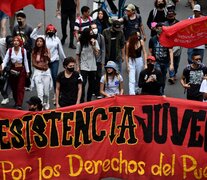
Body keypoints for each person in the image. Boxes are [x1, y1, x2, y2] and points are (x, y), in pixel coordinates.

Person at [30, 23, 66, 104]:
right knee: (44, 77)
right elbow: (32, 36)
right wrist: (37, 28)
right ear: (46, 31)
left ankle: (55, 94)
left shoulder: (57, 39)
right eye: (49, 30)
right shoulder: (43, 38)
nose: (50, 31)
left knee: (54, 76)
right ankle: (42, 93)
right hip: (44, 61)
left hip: (54, 61)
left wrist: (65, 60)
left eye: (52, 30)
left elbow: (60, 51)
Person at [1, 36, 30, 110]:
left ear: (20, 42)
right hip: (12, 70)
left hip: (21, 70)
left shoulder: (23, 50)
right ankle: (16, 101)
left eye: (17, 41)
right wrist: (2, 67)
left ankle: (19, 104)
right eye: (14, 41)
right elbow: (5, 60)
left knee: (20, 87)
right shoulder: (10, 50)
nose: (16, 42)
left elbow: (26, 61)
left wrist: (27, 71)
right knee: (14, 88)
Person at [148, 22, 174, 95]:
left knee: (163, 77)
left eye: (161, 29)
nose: (159, 30)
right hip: (156, 61)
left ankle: (162, 90)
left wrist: (171, 64)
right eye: (158, 28)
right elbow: (150, 51)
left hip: (165, 62)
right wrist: (149, 61)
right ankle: (158, 91)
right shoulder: (152, 39)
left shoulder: (167, 39)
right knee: (158, 75)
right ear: (155, 29)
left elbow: (170, 51)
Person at [76, 28, 99, 102]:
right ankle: (82, 99)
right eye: (90, 34)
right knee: (83, 83)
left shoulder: (95, 42)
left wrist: (93, 45)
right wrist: (78, 66)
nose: (92, 35)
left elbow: (97, 54)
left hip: (93, 66)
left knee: (91, 84)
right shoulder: (80, 43)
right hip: (83, 66)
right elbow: (77, 55)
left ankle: (89, 99)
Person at [13, 11, 33, 89]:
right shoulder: (15, 28)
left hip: (27, 51)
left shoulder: (29, 28)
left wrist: (31, 49)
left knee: (27, 66)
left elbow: (32, 39)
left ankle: (28, 83)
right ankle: (20, 81)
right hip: (18, 51)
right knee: (18, 66)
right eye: (17, 19)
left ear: (24, 19)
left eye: (20, 19)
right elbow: (13, 38)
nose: (19, 21)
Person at [31, 37, 52, 110]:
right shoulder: (34, 51)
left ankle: (46, 103)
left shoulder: (47, 50)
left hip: (46, 73)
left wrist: (47, 56)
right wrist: (41, 67)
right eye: (38, 41)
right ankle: (40, 106)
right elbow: (33, 63)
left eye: (41, 41)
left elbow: (49, 61)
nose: (39, 42)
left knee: (46, 92)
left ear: (43, 43)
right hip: (38, 73)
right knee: (40, 92)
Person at [164, 9, 181, 84]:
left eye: (172, 15)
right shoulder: (165, 23)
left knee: (176, 62)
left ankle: (174, 73)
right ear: (167, 16)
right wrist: (153, 26)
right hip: (168, 44)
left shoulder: (178, 23)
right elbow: (153, 24)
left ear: (174, 15)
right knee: (171, 60)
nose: (170, 17)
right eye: (169, 15)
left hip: (177, 44)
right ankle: (171, 76)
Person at [90, 23, 105, 98]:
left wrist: (102, 61)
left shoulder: (101, 37)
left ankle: (98, 92)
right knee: (92, 76)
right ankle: (92, 90)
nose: (94, 29)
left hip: (98, 60)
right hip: (91, 60)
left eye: (95, 27)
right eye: (92, 28)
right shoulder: (89, 37)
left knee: (99, 76)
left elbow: (103, 49)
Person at [0, 36, 13, 105]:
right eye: (9, 44)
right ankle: (5, 97)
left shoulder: (15, 44)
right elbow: (3, 57)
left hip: (11, 62)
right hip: (2, 60)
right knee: (1, 81)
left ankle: (9, 91)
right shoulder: (1, 44)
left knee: (10, 79)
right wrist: (3, 66)